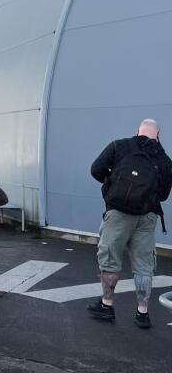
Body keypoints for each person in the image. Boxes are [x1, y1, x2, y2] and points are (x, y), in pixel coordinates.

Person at [87, 118, 172, 329]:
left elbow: (96, 169)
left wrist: (114, 184)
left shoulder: (119, 145)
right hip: (148, 216)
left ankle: (107, 306)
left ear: (138, 131)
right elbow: (162, 195)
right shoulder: (165, 161)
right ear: (158, 135)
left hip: (117, 214)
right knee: (144, 266)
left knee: (110, 260)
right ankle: (142, 314)